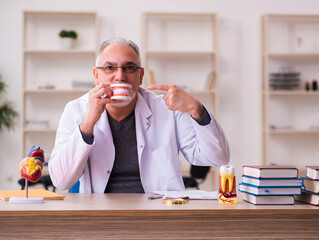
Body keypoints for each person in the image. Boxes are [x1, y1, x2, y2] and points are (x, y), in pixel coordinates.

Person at [48, 37, 230, 193]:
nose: (120, 77)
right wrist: (88, 122)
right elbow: (61, 180)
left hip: (158, 212)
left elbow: (217, 158)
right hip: (99, 213)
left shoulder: (168, 108)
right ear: (97, 75)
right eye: (110, 68)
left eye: (129, 68)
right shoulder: (76, 110)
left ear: (140, 76)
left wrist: (196, 110)